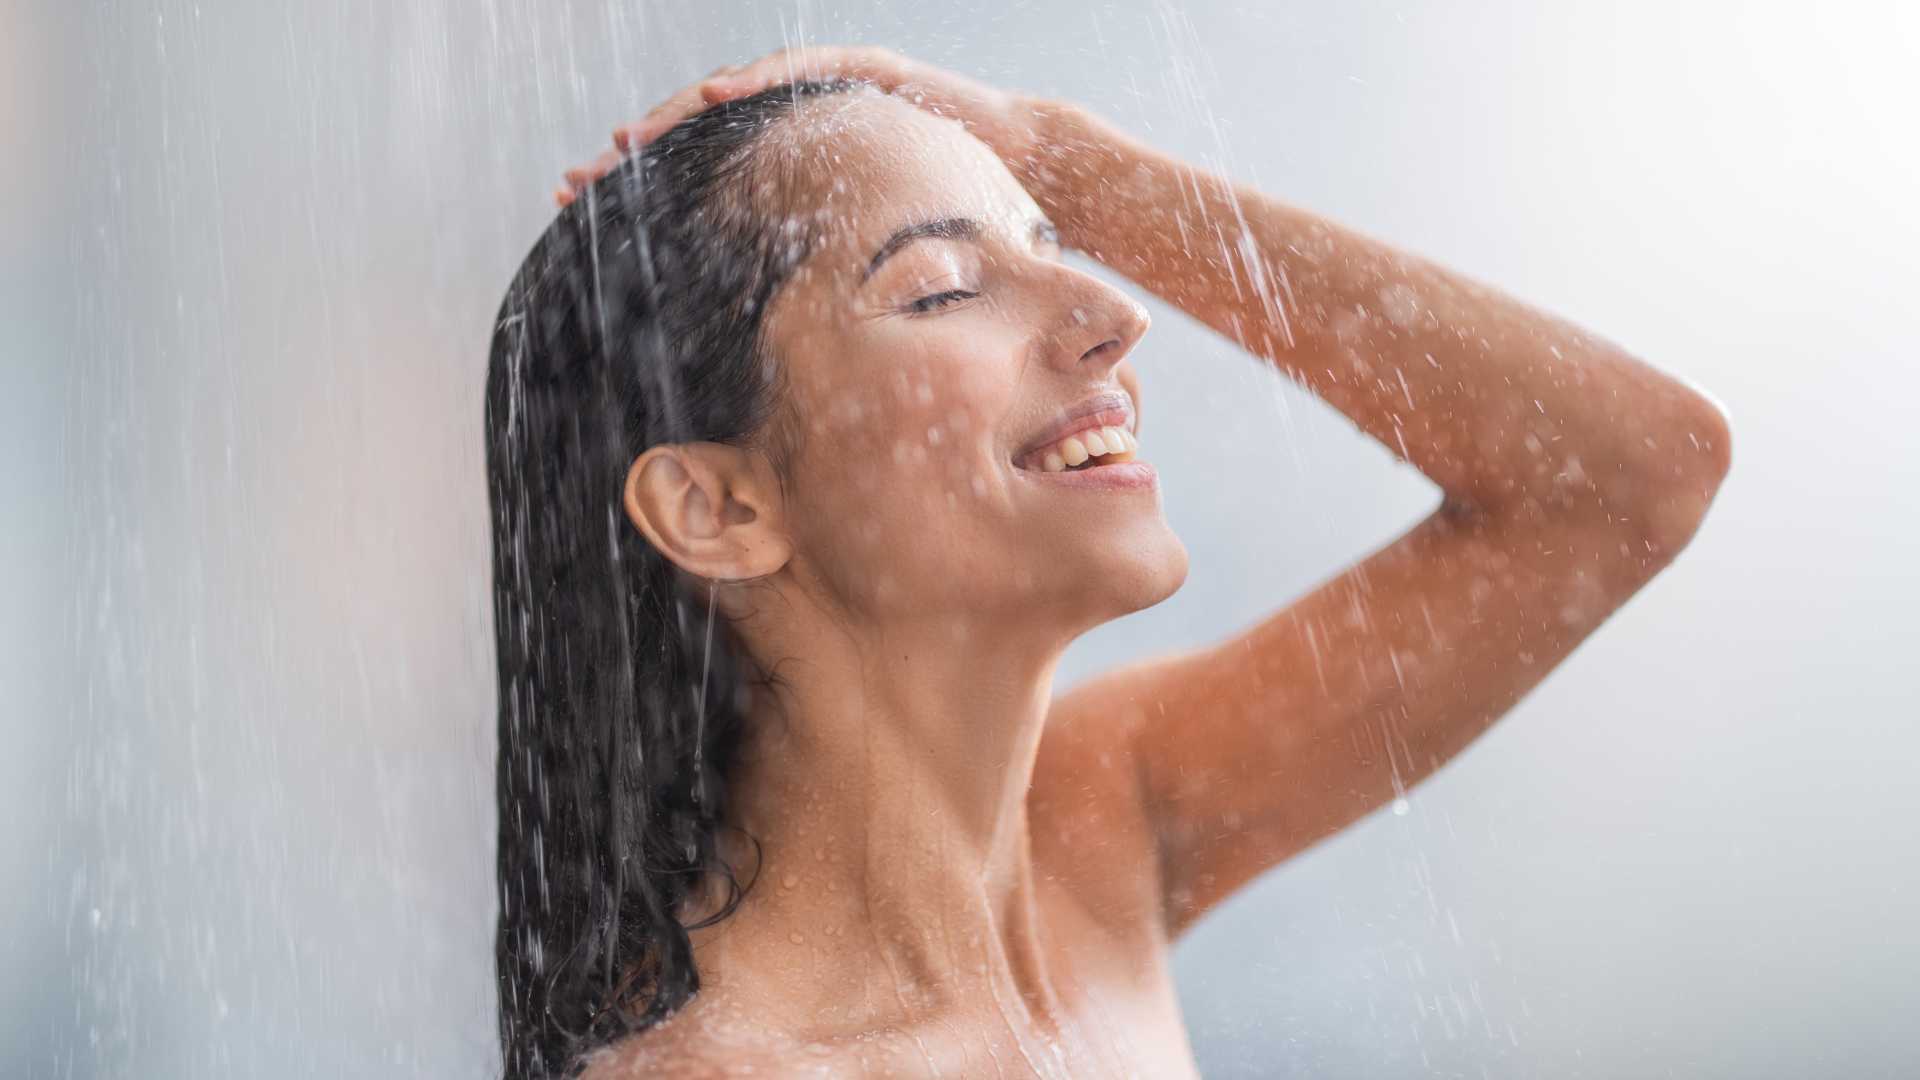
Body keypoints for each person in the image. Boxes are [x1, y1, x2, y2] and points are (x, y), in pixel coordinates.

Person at [486, 46, 1731, 1079]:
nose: (1116, 313)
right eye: (941, 288)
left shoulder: (1097, 828)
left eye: (1053, 241)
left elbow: (1626, 481)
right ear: (716, 505)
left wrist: (1067, 160)